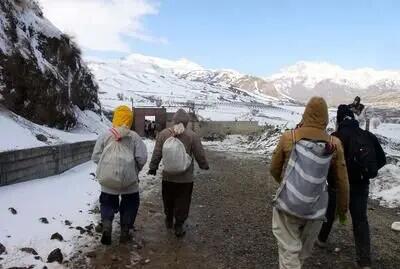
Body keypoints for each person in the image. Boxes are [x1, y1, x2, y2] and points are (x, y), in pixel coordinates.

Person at [270, 97, 349, 269]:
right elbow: (342, 181)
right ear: (326, 118)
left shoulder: (289, 137)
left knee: (289, 251)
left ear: (305, 114)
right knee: (302, 253)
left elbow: (274, 169)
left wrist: (285, 184)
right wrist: (342, 210)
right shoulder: (334, 144)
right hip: (316, 209)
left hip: (288, 205)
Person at [317, 105, 386, 269]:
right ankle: (364, 261)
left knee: (330, 212)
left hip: (338, 186)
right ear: (353, 119)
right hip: (361, 185)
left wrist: (330, 179)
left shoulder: (335, 137)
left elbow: (325, 162)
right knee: (360, 220)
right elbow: (381, 160)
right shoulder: (367, 136)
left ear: (339, 120)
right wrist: (365, 174)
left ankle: (321, 239)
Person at [148, 109, 209, 237]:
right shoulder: (192, 136)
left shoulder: (164, 134)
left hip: (168, 177)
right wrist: (203, 165)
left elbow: (157, 152)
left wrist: (153, 167)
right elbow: (199, 153)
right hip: (185, 179)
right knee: (183, 200)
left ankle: (169, 218)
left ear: (174, 121)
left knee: (168, 198)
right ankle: (179, 225)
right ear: (187, 122)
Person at [92, 105, 148, 245]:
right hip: (129, 181)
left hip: (108, 180)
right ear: (130, 120)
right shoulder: (134, 136)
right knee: (131, 202)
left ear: (115, 118)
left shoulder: (106, 135)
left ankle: (106, 225)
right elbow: (142, 158)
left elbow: (96, 156)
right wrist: (135, 170)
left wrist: (106, 166)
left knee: (107, 201)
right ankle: (124, 231)